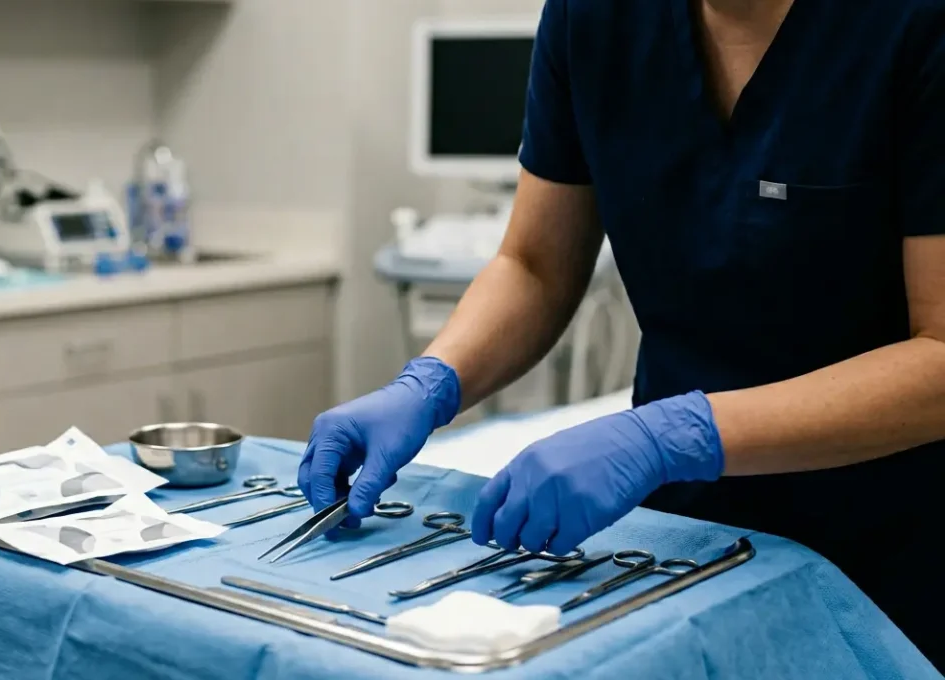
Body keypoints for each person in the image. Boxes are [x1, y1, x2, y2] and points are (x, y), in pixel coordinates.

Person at [298, 0, 944, 667]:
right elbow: (535, 266)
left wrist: (671, 435)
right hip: (680, 540)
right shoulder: (592, 18)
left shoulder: (915, 25)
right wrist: (432, 382)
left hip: (892, 543)